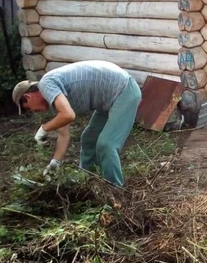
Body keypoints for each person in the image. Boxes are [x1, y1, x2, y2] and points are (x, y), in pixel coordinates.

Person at [12, 60, 142, 186]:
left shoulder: (46, 84)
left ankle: (115, 191)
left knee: (106, 144)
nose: (34, 111)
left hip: (124, 91)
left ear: (28, 97)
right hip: (108, 99)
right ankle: (86, 181)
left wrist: (44, 129)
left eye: (29, 108)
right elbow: (64, 134)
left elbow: (68, 115)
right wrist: (55, 163)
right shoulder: (55, 96)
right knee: (89, 139)